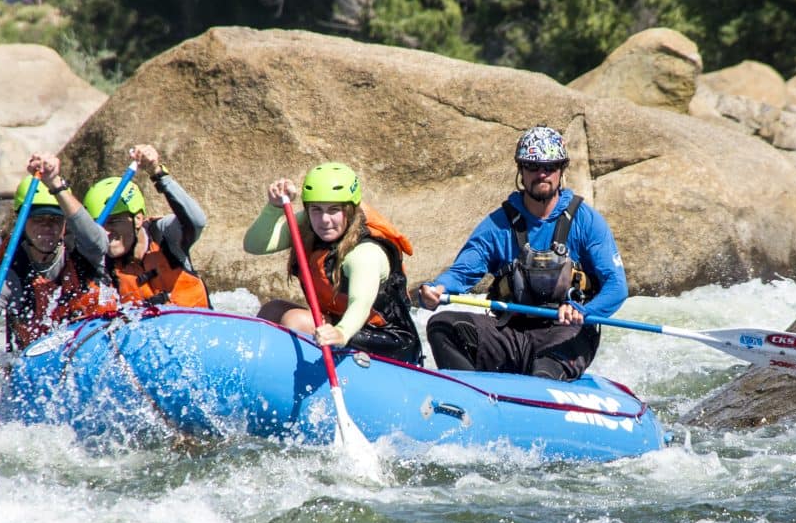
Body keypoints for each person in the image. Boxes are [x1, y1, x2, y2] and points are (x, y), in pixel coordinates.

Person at [416, 124, 626, 380]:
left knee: (543, 373)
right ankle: (473, 398)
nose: (541, 174)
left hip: (567, 333)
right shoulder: (497, 224)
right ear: (521, 170)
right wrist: (439, 288)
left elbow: (617, 287)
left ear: (561, 171)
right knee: (443, 326)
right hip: (513, 333)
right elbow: (463, 271)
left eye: (550, 167)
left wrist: (582, 311)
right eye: (532, 167)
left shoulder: (587, 221)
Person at [244, 161, 423, 364]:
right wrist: (274, 208)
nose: (325, 219)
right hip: (341, 327)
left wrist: (340, 333)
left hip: (389, 341)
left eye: (334, 210)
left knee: (296, 321)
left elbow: (360, 303)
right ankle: (261, 368)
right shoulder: (311, 224)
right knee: (273, 310)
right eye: (316, 210)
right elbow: (255, 245)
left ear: (349, 210)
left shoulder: (365, 252)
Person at [0, 153, 110, 361]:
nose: (47, 227)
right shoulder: (7, 276)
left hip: (93, 350)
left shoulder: (82, 252)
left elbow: (99, 243)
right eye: (38, 220)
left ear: (65, 223)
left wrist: (55, 183)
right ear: (22, 222)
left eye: (55, 219)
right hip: (39, 363)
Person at [83, 143, 210, 309]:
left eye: (114, 222)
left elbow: (197, 221)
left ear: (138, 219)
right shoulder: (100, 264)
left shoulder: (163, 234)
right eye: (99, 225)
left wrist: (157, 173)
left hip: (197, 328)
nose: (105, 232)